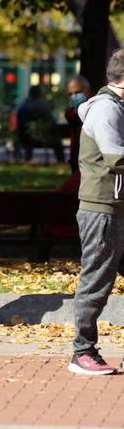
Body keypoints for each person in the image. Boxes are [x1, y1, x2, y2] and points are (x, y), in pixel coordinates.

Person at [68, 50, 124, 375]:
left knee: (98, 279)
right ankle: (82, 352)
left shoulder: (117, 108)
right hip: (102, 210)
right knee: (96, 281)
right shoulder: (105, 109)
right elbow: (116, 157)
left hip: (116, 208)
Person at [15, 85, 64, 163]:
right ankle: (61, 160)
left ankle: (27, 158)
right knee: (57, 141)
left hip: (25, 137)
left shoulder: (23, 104)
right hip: (43, 137)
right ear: (39, 93)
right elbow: (51, 122)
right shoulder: (42, 105)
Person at [64, 75, 93, 173]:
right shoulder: (72, 114)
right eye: (70, 94)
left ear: (88, 91)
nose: (74, 96)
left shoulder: (97, 111)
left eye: (77, 92)